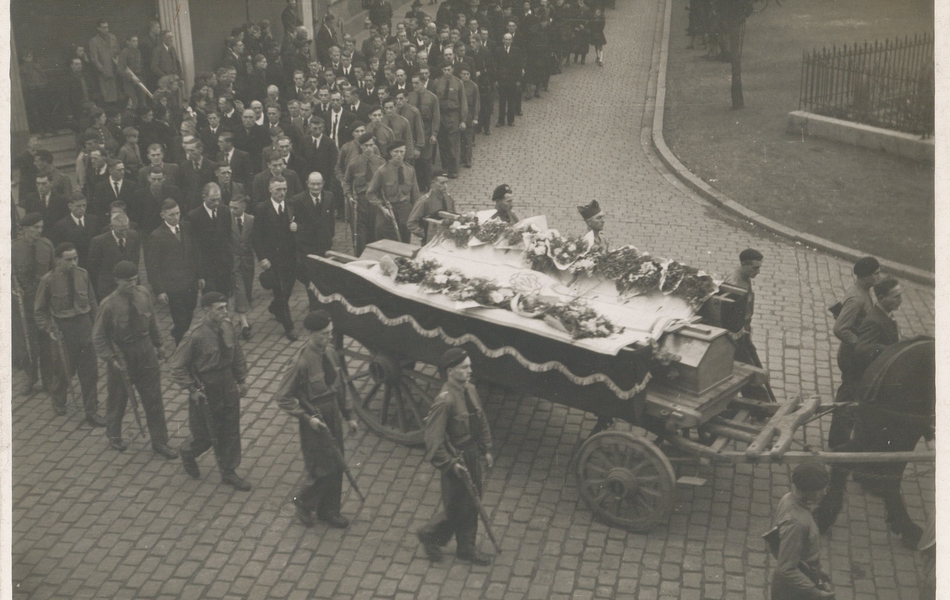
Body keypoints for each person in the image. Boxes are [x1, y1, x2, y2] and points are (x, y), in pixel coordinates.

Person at [812, 278, 925, 550]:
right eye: (895, 296)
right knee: (863, 439)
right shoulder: (875, 320)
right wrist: (895, 354)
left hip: (881, 384)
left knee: (868, 440)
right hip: (873, 388)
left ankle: (868, 476)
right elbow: (862, 349)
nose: (900, 300)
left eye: (900, 295)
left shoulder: (885, 315)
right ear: (882, 297)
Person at [273, 311, 359, 528]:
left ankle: (329, 511)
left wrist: (349, 415)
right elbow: (283, 397)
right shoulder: (301, 362)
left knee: (337, 462)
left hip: (332, 413)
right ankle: (302, 502)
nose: (328, 337)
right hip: (315, 419)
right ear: (310, 333)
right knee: (322, 467)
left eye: (330, 333)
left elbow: (340, 386)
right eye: (323, 334)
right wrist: (306, 417)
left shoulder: (330, 353)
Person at [417, 348, 494, 566]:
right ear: (451, 371)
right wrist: (450, 465)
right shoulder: (445, 401)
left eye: (469, 365)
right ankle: (430, 534)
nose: (470, 370)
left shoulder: (469, 389)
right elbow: (433, 441)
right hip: (456, 459)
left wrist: (486, 449)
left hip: (472, 454)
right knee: (457, 507)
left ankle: (466, 548)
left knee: (472, 502)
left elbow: (482, 421)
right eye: (465, 367)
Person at [93, 261, 177, 457]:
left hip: (145, 351)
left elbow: (152, 321)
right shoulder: (108, 305)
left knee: (153, 398)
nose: (132, 284)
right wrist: (112, 360)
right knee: (118, 399)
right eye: (127, 281)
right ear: (116, 281)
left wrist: (159, 345)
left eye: (134, 279)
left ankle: (160, 441)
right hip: (122, 356)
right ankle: (114, 435)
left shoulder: (143, 294)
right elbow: (99, 337)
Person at [170, 292, 251, 491]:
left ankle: (229, 471)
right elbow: (177, 367)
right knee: (205, 434)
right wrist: (192, 389)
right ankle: (188, 453)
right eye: (220, 308)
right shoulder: (195, 336)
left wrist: (241, 380)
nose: (225, 312)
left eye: (225, 307)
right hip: (206, 388)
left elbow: (237, 354)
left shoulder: (228, 327)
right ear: (207, 311)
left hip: (227, 384)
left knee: (230, 429)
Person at [34, 242, 104, 425]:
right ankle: (58, 400)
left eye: (75, 258)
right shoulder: (48, 280)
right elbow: (40, 311)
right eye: (68, 259)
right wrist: (50, 329)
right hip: (63, 329)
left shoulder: (83, 274)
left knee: (90, 371)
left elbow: (92, 302)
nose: (73, 263)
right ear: (58, 260)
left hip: (84, 326)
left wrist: (97, 325)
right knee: (64, 370)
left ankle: (91, 411)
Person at [827, 256, 882, 449]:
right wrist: (859, 344)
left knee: (849, 396)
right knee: (847, 400)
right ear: (866, 276)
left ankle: (838, 440)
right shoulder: (857, 297)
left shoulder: (863, 291)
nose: (879, 277)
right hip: (852, 357)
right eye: (876, 274)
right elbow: (840, 328)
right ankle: (837, 443)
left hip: (854, 356)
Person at [767, 463, 835, 600]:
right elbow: (786, 569)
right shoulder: (797, 523)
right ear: (807, 490)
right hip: (794, 591)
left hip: (800, 577)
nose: (824, 492)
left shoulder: (788, 499)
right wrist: (816, 594)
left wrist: (817, 571)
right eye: (820, 489)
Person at [145, 199, 200, 345]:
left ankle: (178, 333)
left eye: (177, 213)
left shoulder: (187, 227)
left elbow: (195, 253)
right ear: (163, 215)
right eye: (171, 215)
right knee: (180, 319)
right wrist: (159, 290)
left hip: (190, 283)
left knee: (189, 313)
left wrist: (200, 276)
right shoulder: (156, 236)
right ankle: (181, 347)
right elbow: (152, 266)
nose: (175, 217)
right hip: (173, 286)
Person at [14, 213, 57, 396]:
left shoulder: (46, 245)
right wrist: (11, 288)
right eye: (35, 228)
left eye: (40, 227)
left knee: (45, 342)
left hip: (42, 303)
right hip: (22, 305)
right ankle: (31, 378)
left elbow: (54, 272)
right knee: (26, 344)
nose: (39, 231)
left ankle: (48, 380)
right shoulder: (12, 248)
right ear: (24, 229)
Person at [252, 177, 299, 341]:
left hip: (291, 255)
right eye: (278, 189)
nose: (282, 193)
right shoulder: (263, 209)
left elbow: (301, 224)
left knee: (288, 288)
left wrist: (296, 227)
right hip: (273, 258)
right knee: (279, 289)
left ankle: (275, 307)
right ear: (270, 190)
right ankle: (289, 327)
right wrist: (262, 258)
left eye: (284, 189)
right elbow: (256, 236)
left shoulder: (292, 205)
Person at [723, 248, 772, 401]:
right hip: (736, 336)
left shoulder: (743, 278)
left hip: (743, 331)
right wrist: (740, 334)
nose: (758, 271)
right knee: (748, 372)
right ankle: (761, 405)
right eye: (755, 267)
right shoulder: (736, 285)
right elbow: (729, 318)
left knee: (752, 365)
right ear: (744, 265)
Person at [290, 172, 336, 309]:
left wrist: (330, 235)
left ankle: (323, 303)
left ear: (323, 184)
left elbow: (331, 220)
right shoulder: (298, 200)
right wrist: (298, 229)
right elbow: (295, 223)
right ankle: (314, 307)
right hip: (307, 245)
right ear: (307, 184)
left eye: (319, 184)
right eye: (313, 184)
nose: (316, 187)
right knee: (310, 276)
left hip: (324, 244)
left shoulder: (329, 196)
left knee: (323, 275)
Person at [366, 140, 421, 242]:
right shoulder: (382, 171)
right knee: (386, 239)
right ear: (391, 152)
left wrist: (417, 214)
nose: (399, 155)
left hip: (405, 210)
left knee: (404, 240)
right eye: (396, 152)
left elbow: (415, 195)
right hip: (388, 211)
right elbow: (370, 193)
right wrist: (382, 207)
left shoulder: (410, 170)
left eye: (402, 151)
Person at [187, 183, 233, 296]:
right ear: (204, 197)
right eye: (212, 200)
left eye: (218, 199)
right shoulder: (193, 216)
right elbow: (194, 247)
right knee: (211, 299)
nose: (216, 203)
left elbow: (228, 237)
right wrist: (199, 274)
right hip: (206, 267)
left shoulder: (225, 211)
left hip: (224, 265)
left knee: (224, 297)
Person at [344, 132, 387, 255]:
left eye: (371, 145)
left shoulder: (381, 162)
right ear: (361, 146)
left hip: (376, 203)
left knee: (376, 233)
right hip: (360, 203)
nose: (369, 148)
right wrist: (349, 196)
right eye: (366, 145)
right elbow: (346, 182)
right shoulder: (354, 163)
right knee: (360, 236)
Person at [87, 211, 141, 301]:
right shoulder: (99, 241)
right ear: (111, 227)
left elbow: (136, 258)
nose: (124, 234)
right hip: (109, 287)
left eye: (126, 229)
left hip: (131, 284)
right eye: (121, 230)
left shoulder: (134, 235)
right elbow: (93, 266)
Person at [432, 61, 467, 179]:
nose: (447, 72)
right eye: (444, 70)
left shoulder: (458, 83)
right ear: (442, 70)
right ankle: (445, 168)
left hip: (453, 115)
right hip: (441, 115)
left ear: (452, 69)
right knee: (442, 143)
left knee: (453, 143)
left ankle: (454, 169)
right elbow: (434, 102)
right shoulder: (437, 83)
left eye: (449, 69)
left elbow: (463, 102)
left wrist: (463, 120)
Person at [228, 195, 256, 340]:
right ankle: (245, 325)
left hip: (248, 262)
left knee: (247, 289)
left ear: (244, 207)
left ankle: (240, 317)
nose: (232, 210)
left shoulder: (251, 220)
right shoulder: (227, 221)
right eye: (230, 207)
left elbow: (255, 240)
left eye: (235, 208)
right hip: (233, 262)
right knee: (240, 289)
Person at [49, 195, 101, 269]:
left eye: (84, 205)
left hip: (93, 263)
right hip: (73, 264)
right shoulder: (61, 225)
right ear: (70, 206)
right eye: (78, 206)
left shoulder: (94, 220)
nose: (82, 209)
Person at [407, 175, 455, 244]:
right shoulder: (425, 201)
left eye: (446, 182)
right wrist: (426, 234)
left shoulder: (449, 198)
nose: (445, 186)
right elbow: (411, 224)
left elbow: (454, 216)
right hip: (431, 242)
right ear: (433, 183)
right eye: (442, 183)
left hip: (448, 240)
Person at [494, 33, 524, 127]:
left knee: (511, 101)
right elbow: (496, 66)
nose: (507, 41)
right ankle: (501, 120)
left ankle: (511, 120)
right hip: (502, 80)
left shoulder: (516, 50)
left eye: (509, 39)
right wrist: (496, 80)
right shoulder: (498, 50)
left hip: (512, 80)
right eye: (506, 39)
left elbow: (519, 65)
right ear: (503, 40)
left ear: (512, 40)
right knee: (502, 101)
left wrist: (518, 80)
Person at [88, 19, 120, 105]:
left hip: (115, 71)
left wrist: (118, 63)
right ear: (98, 28)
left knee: (118, 96)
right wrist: (103, 70)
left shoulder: (113, 38)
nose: (106, 29)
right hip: (104, 73)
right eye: (104, 27)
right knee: (108, 97)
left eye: (107, 27)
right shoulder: (94, 41)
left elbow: (118, 52)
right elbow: (94, 59)